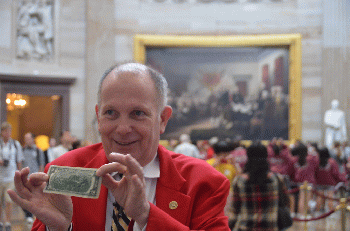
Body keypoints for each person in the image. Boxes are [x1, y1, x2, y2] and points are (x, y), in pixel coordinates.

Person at [8, 63, 231, 231]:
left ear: (163, 119)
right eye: (111, 113)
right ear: (98, 115)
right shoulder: (64, 171)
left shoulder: (203, 182)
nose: (123, 128)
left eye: (138, 113)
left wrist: (145, 215)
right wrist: (58, 229)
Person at [230, 142, 289, 230]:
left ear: (248, 156)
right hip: (270, 227)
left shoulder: (239, 181)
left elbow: (235, 209)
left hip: (245, 227)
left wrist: (230, 225)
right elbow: (285, 202)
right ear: (266, 156)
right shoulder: (277, 179)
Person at [0, 122, 24, 231]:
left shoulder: (15, 144)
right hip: (0, 176)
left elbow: (19, 160)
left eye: (9, 131)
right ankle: (1, 222)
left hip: (10, 176)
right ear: (1, 132)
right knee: (0, 201)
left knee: (8, 200)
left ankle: (8, 222)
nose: (8, 133)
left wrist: (20, 175)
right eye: (6, 131)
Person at [22, 132, 45, 223]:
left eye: (28, 138)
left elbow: (41, 164)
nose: (26, 140)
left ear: (32, 139)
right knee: (25, 196)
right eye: (25, 138)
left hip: (35, 177)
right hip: (25, 177)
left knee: (36, 197)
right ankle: (28, 215)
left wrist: (40, 176)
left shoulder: (38, 150)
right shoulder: (22, 150)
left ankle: (37, 215)